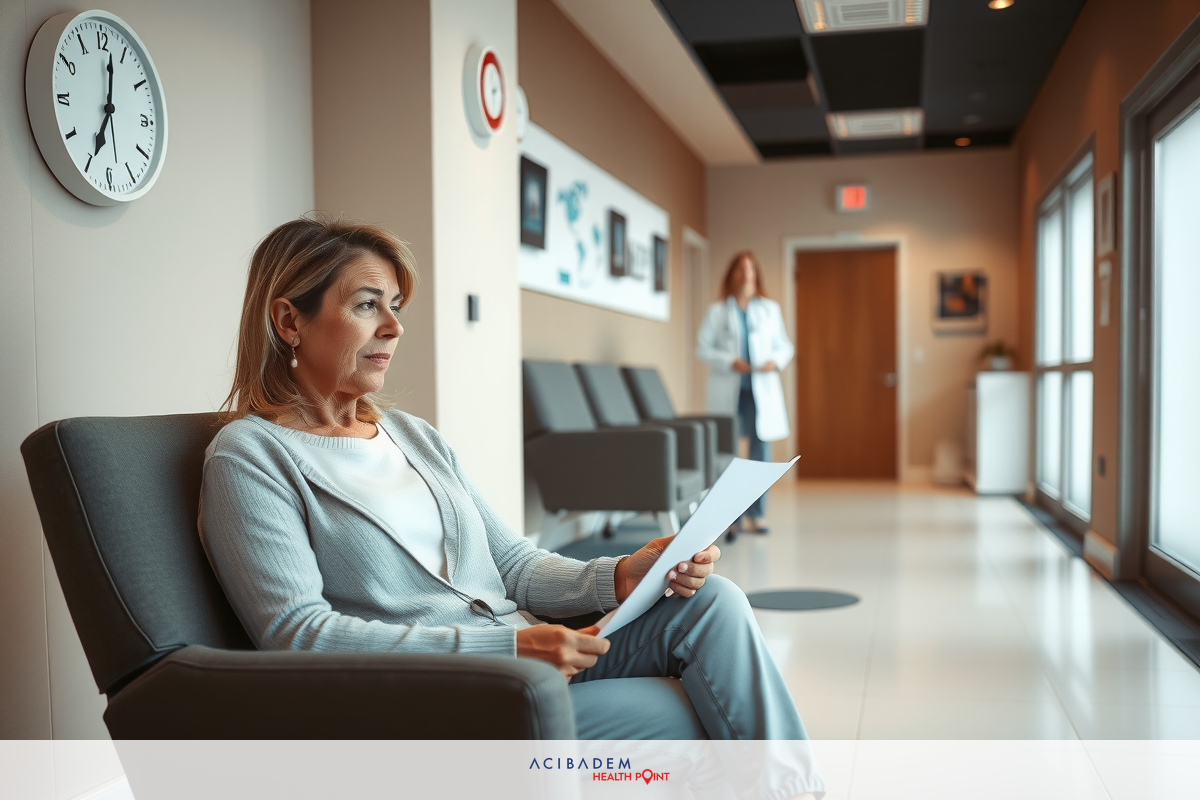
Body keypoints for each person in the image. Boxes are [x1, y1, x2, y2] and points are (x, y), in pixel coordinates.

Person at [197, 215, 820, 781]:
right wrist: (510, 647)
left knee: (712, 601)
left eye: (394, 305)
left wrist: (622, 576)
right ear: (288, 321)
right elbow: (298, 634)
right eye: (367, 305)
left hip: (528, 656)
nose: (394, 326)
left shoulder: (412, 436)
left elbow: (515, 566)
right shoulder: (252, 456)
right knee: (697, 708)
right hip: (455, 696)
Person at [697, 251, 795, 534]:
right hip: (730, 391)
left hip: (759, 392)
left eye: (750, 269)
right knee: (728, 454)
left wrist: (773, 361)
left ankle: (758, 514)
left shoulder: (769, 309)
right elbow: (702, 349)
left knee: (759, 454)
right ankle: (731, 517)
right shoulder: (717, 312)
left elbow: (784, 346)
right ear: (732, 275)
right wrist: (730, 361)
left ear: (756, 275)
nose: (745, 274)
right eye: (740, 269)